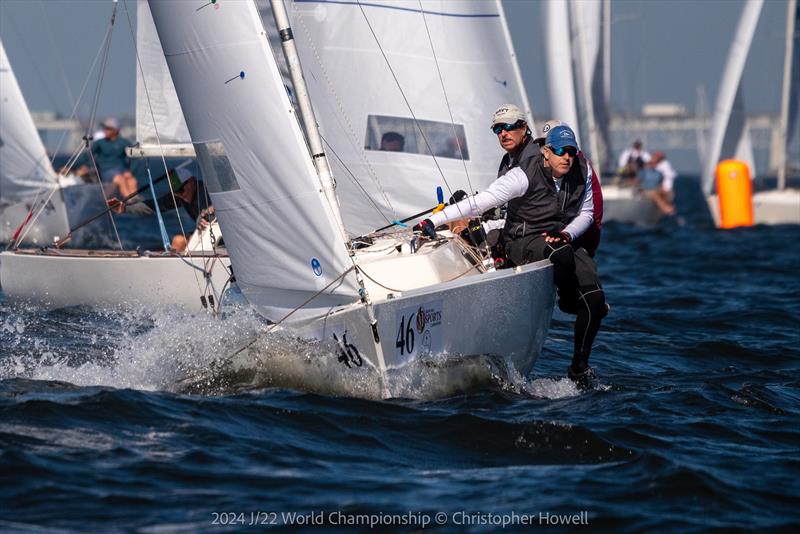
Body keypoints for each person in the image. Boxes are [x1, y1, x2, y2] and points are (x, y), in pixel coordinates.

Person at [415, 105, 607, 389]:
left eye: (571, 150)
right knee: (559, 254)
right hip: (522, 239)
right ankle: (566, 299)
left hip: (562, 238)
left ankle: (579, 366)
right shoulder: (521, 174)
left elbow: (587, 214)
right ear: (545, 151)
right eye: (560, 150)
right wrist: (433, 219)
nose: (567, 156)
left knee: (595, 301)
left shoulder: (582, 168)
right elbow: (481, 202)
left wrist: (567, 234)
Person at [107, 168, 215, 252]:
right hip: (206, 232)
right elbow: (155, 205)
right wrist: (125, 208)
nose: (181, 195)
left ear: (192, 181)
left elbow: (216, 204)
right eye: (176, 192)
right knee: (177, 242)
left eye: (181, 190)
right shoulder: (180, 196)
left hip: (220, 235)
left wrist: (209, 211)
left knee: (179, 241)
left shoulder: (206, 189)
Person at [88, 118, 137, 197]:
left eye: (108, 129)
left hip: (122, 171)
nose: (105, 130)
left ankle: (135, 200)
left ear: (116, 130)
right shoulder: (99, 143)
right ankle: (130, 200)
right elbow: (87, 156)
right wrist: (76, 166)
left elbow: (135, 157)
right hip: (107, 172)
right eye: (104, 128)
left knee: (132, 181)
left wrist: (130, 171)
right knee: (120, 179)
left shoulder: (124, 142)